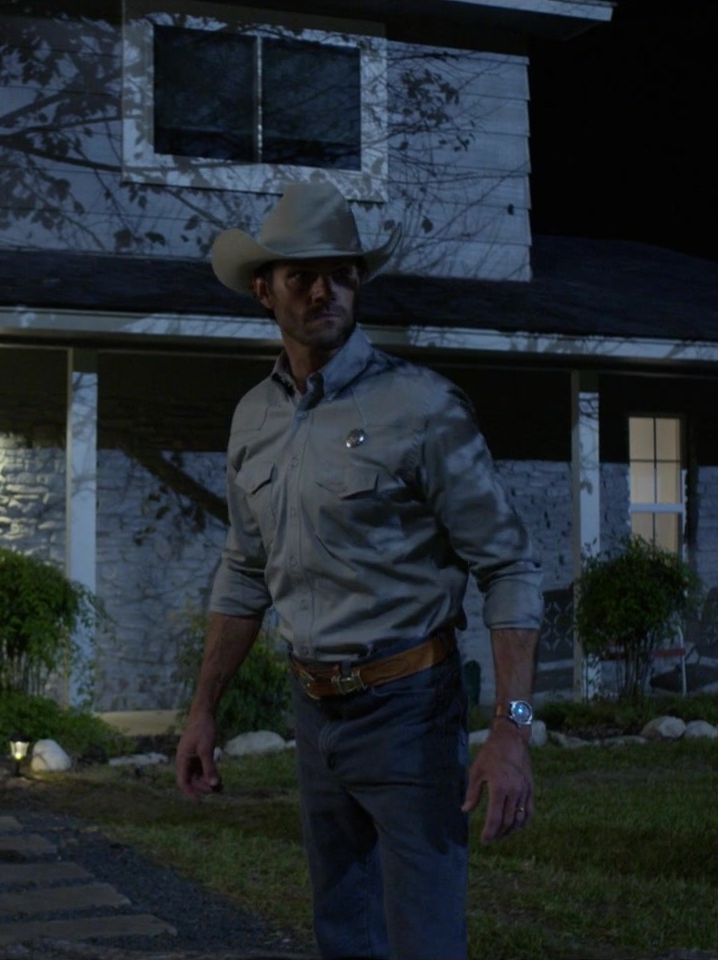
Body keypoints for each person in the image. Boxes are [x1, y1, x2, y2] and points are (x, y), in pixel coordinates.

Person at [176, 181, 546, 960]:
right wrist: (204, 711)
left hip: (410, 711)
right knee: (342, 932)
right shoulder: (253, 418)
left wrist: (511, 729)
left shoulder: (422, 407)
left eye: (341, 274)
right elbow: (243, 571)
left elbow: (508, 565)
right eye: (303, 276)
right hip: (313, 711)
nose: (325, 291)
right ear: (264, 290)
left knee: (423, 940)